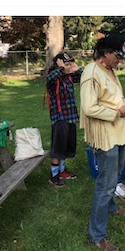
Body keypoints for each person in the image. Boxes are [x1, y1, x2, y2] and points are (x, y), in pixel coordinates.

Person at [80, 33, 125, 251]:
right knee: (105, 185)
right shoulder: (91, 73)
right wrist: (118, 111)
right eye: (117, 56)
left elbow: (113, 97)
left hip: (117, 132)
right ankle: (97, 236)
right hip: (105, 137)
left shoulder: (109, 70)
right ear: (106, 53)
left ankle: (112, 207)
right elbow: (89, 107)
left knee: (116, 174)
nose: (120, 60)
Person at [45, 52, 83, 187]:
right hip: (59, 118)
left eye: (69, 64)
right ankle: (54, 175)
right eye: (65, 64)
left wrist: (74, 66)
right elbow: (49, 78)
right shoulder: (54, 78)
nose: (68, 67)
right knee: (58, 147)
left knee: (66, 145)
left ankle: (62, 170)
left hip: (70, 117)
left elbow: (81, 75)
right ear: (58, 65)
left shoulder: (69, 77)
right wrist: (61, 68)